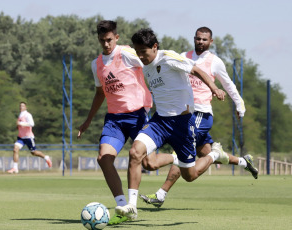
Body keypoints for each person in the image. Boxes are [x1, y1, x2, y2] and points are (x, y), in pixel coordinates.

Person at [115, 28, 228, 221]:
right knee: (135, 153)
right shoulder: (145, 64)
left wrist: (215, 88)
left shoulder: (168, 58)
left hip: (182, 124)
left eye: (144, 51)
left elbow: (197, 70)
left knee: (189, 176)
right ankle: (131, 207)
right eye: (138, 51)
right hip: (159, 121)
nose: (141, 56)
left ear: (155, 47)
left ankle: (214, 154)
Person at [140, 27, 259, 209]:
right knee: (205, 154)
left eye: (204, 39)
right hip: (184, 112)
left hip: (201, 113)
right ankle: (243, 161)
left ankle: (161, 194)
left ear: (211, 42)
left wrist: (239, 104)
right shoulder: (183, 55)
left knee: (181, 151)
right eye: (198, 39)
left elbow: (228, 84)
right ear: (194, 39)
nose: (200, 42)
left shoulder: (215, 62)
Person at [77, 20, 165, 225]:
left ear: (116, 37)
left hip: (137, 115)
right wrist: (88, 120)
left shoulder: (126, 53)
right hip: (114, 119)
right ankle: (124, 206)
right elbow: (100, 93)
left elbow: (151, 61)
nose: (106, 44)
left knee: (149, 163)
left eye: (109, 40)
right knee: (103, 158)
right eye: (102, 41)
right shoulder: (96, 64)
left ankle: (176, 157)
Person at [7, 102, 52, 173]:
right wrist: (18, 126)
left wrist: (20, 123)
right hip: (21, 137)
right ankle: (15, 168)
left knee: (34, 152)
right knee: (15, 149)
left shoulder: (28, 115)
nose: (21, 107)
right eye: (20, 106)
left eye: (23, 106)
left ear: (26, 107)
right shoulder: (20, 115)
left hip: (28, 137)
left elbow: (32, 124)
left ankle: (46, 157)